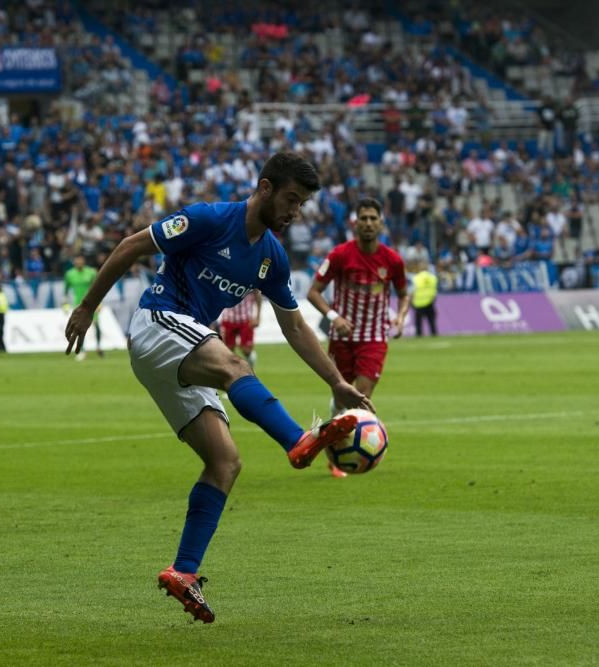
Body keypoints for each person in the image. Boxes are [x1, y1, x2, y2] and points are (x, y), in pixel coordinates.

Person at [63, 152, 372, 624]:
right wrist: (87, 307)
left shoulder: (271, 256)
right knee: (235, 367)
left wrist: (335, 380)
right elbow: (131, 246)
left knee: (225, 461)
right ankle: (297, 441)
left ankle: (183, 571)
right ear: (265, 188)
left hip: (175, 355)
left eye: (303, 204)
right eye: (291, 199)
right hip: (158, 321)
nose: (295, 212)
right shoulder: (208, 219)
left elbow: (293, 326)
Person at [306, 197, 409, 479]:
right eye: (362, 218)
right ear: (355, 223)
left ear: (381, 223)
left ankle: (341, 455)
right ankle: (337, 441)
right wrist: (334, 318)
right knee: (340, 397)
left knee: (359, 398)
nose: (367, 223)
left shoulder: (392, 260)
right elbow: (313, 292)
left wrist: (400, 317)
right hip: (342, 339)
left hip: (374, 338)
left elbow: (403, 294)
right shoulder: (340, 255)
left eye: (372, 218)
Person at [64, 255, 102, 360]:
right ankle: (82, 350)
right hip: (78, 305)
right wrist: (65, 304)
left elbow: (98, 288)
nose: (79, 262)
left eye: (80, 260)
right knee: (80, 327)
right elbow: (66, 291)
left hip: (92, 303)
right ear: (75, 262)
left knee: (96, 325)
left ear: (83, 261)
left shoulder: (91, 272)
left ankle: (98, 346)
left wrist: (99, 303)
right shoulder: (69, 274)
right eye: (77, 261)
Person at [219, 289, 261, 369]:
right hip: (228, 318)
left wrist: (258, 317)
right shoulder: (225, 277)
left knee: (246, 350)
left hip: (246, 319)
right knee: (228, 350)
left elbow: (257, 293)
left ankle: (251, 370)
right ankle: (233, 373)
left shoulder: (250, 279)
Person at [410, 261, 438, 337]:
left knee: (418, 323)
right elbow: (434, 291)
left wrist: (411, 302)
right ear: (427, 268)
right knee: (431, 321)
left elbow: (412, 291)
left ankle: (419, 335)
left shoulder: (415, 278)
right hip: (430, 302)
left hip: (418, 302)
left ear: (419, 268)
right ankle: (434, 335)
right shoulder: (433, 278)